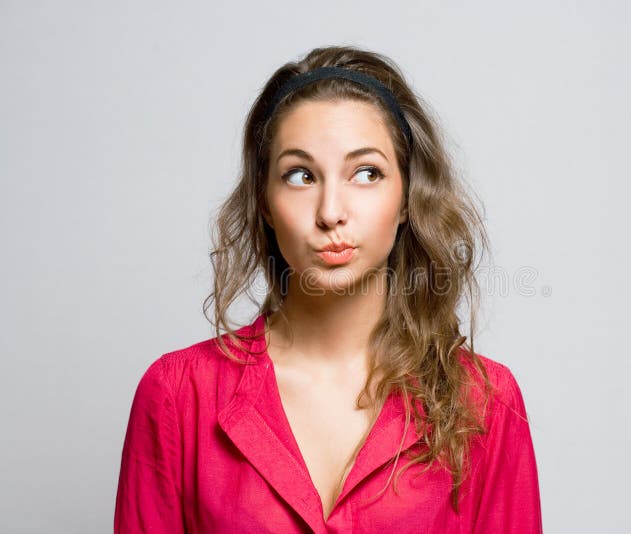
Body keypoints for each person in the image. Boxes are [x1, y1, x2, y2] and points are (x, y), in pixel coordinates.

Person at [114, 45, 543, 533]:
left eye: (367, 173)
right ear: (265, 201)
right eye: (301, 176)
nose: (331, 212)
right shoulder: (177, 395)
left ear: (408, 196)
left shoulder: (485, 402)